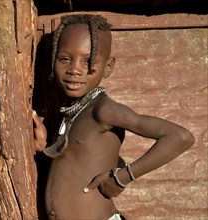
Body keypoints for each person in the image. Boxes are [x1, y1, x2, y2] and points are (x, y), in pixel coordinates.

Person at [32, 14, 195, 220]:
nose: (74, 70)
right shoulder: (72, 111)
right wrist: (44, 147)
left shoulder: (103, 110)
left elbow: (180, 136)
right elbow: (72, 170)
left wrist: (123, 177)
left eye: (88, 61)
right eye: (65, 58)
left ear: (108, 67)